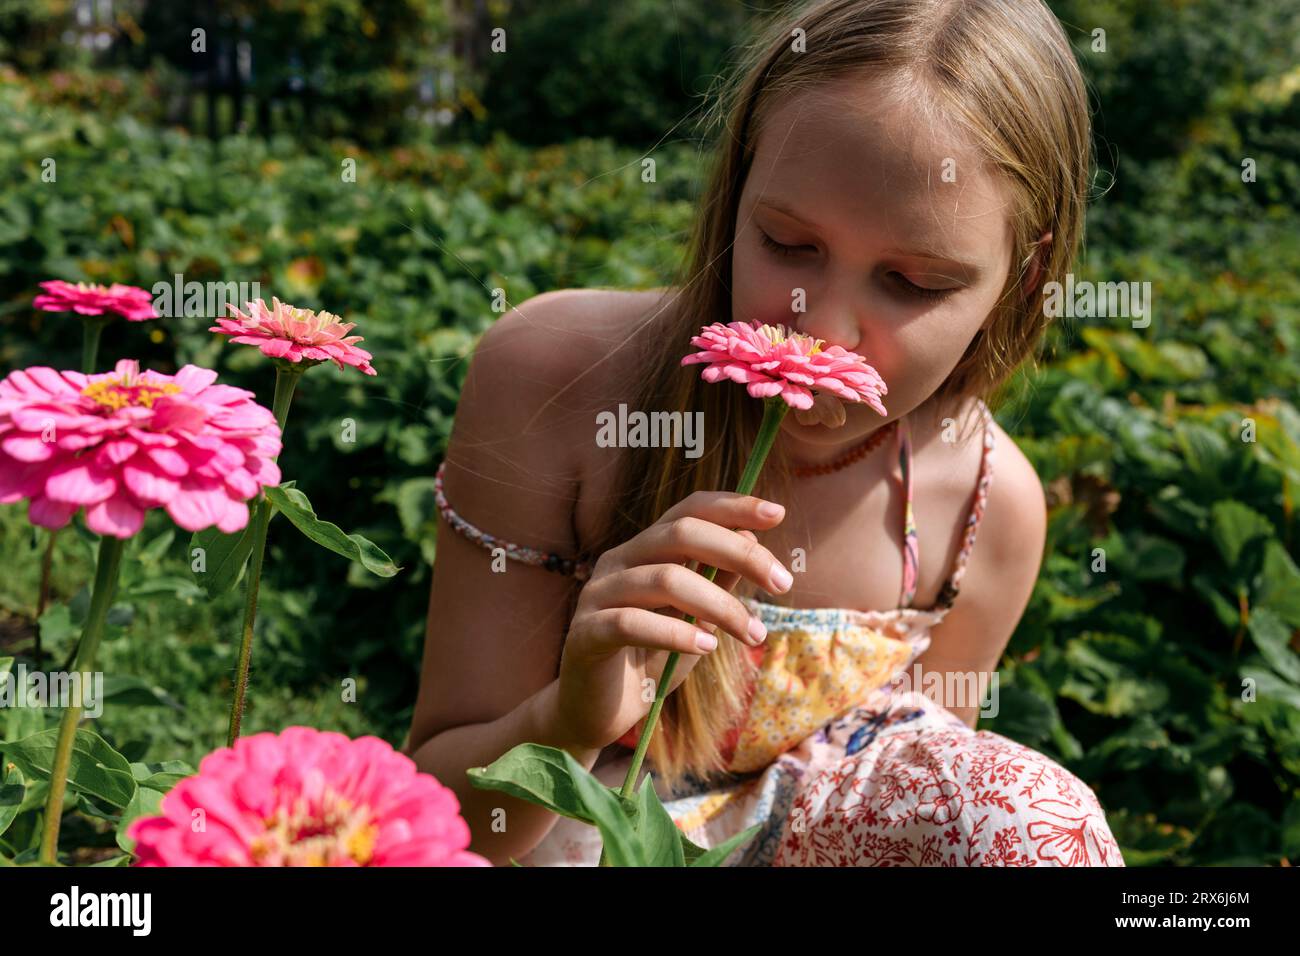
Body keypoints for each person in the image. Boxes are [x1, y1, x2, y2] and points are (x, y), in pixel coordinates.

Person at [404, 0, 1125, 867]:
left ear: (1027, 273)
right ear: (736, 188)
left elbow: (923, 813)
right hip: (566, 838)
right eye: (788, 244)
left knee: (1026, 819)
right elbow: (439, 815)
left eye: (911, 282)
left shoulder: (985, 504)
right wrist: (566, 721)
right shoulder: (558, 379)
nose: (820, 329)